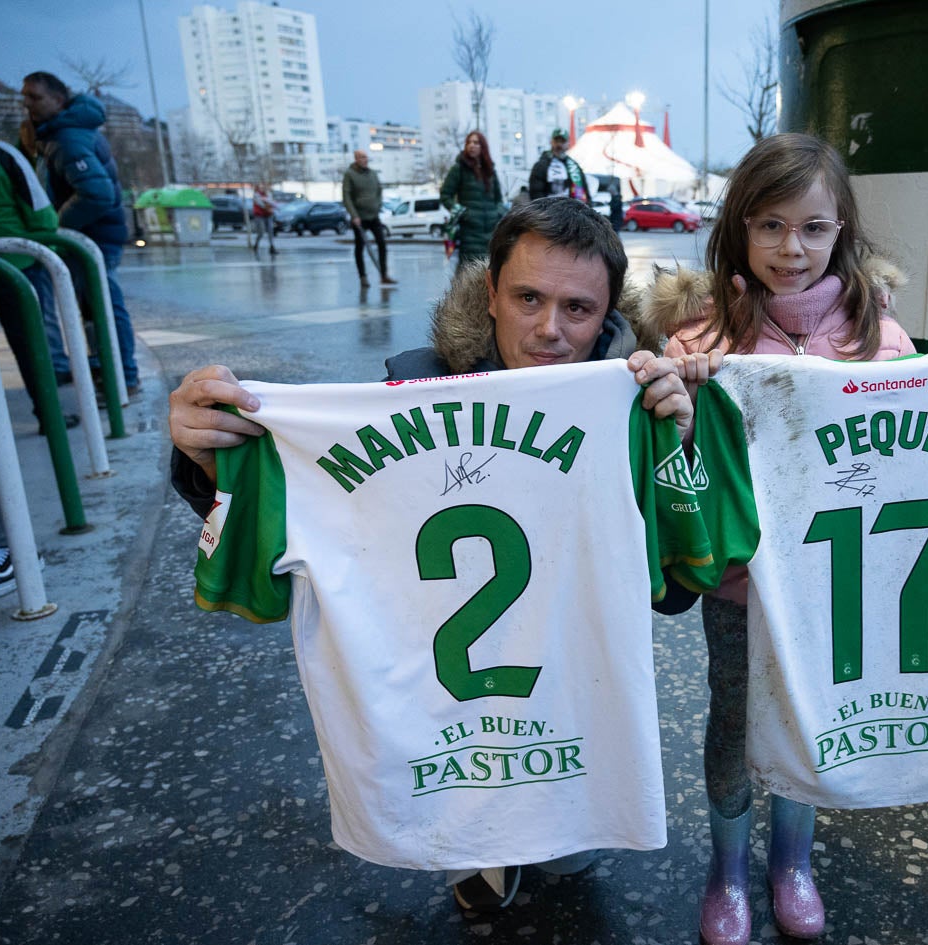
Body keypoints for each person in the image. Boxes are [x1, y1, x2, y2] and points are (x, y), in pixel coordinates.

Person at [167, 196, 717, 914]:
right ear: (489, 293)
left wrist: (674, 452)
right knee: (477, 827)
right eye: (527, 297)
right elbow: (305, 515)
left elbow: (675, 593)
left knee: (569, 844)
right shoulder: (406, 388)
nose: (549, 328)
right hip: (441, 706)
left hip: (572, 699)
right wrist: (206, 460)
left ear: (610, 314)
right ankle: (477, 837)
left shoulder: (635, 405)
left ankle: (536, 821)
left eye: (577, 309)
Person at [654, 132, 928, 945]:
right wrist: (681, 402)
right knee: (733, 722)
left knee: (813, 714)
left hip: (841, 579)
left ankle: (791, 862)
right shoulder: (698, 342)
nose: (789, 247)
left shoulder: (882, 339)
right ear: (738, 228)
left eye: (811, 227)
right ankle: (728, 869)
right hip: (742, 589)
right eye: (767, 225)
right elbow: (680, 473)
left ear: (843, 229)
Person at [20, 71, 140, 397]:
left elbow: (97, 193)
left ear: (58, 99)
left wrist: (58, 226)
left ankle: (121, 378)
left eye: (34, 96)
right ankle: (112, 374)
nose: (26, 103)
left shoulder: (67, 138)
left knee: (101, 306)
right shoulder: (59, 134)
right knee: (94, 308)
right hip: (91, 234)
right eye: (25, 96)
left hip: (92, 235)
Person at [0, 86, 80, 434]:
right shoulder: (1, 153)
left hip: (10, 260)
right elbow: (41, 214)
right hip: (16, 262)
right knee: (32, 345)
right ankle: (48, 416)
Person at [439, 130, 504, 265]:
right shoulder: (459, 169)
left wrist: (497, 213)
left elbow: (498, 199)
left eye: (475, 142)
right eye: (468, 142)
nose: (471, 145)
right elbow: (445, 195)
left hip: (491, 231)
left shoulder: (490, 171)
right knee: (468, 275)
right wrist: (463, 213)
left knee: (490, 273)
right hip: (470, 232)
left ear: (483, 147)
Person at [341, 149, 395, 287]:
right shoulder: (350, 174)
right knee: (360, 247)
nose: (365, 159)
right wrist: (354, 215)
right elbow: (346, 196)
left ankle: (384, 275)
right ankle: (363, 277)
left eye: (366, 157)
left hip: (373, 216)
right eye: (362, 157)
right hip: (359, 218)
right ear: (356, 159)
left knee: (382, 244)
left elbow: (379, 191)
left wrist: (378, 205)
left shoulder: (372, 174)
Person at [527, 128, 590, 204]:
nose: (559, 145)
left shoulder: (574, 166)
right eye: (557, 141)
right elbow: (536, 192)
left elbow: (584, 191)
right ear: (551, 142)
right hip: (548, 211)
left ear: (568, 144)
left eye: (563, 141)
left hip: (572, 211)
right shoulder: (541, 165)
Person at [250, 183, 277, 255]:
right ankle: (256, 244)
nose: (263, 189)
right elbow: (261, 204)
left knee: (270, 231)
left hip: (268, 215)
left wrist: (272, 207)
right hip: (259, 215)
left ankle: (272, 247)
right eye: (261, 187)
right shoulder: (256, 195)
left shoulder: (269, 194)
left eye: (265, 187)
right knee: (261, 232)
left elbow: (272, 203)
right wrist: (268, 206)